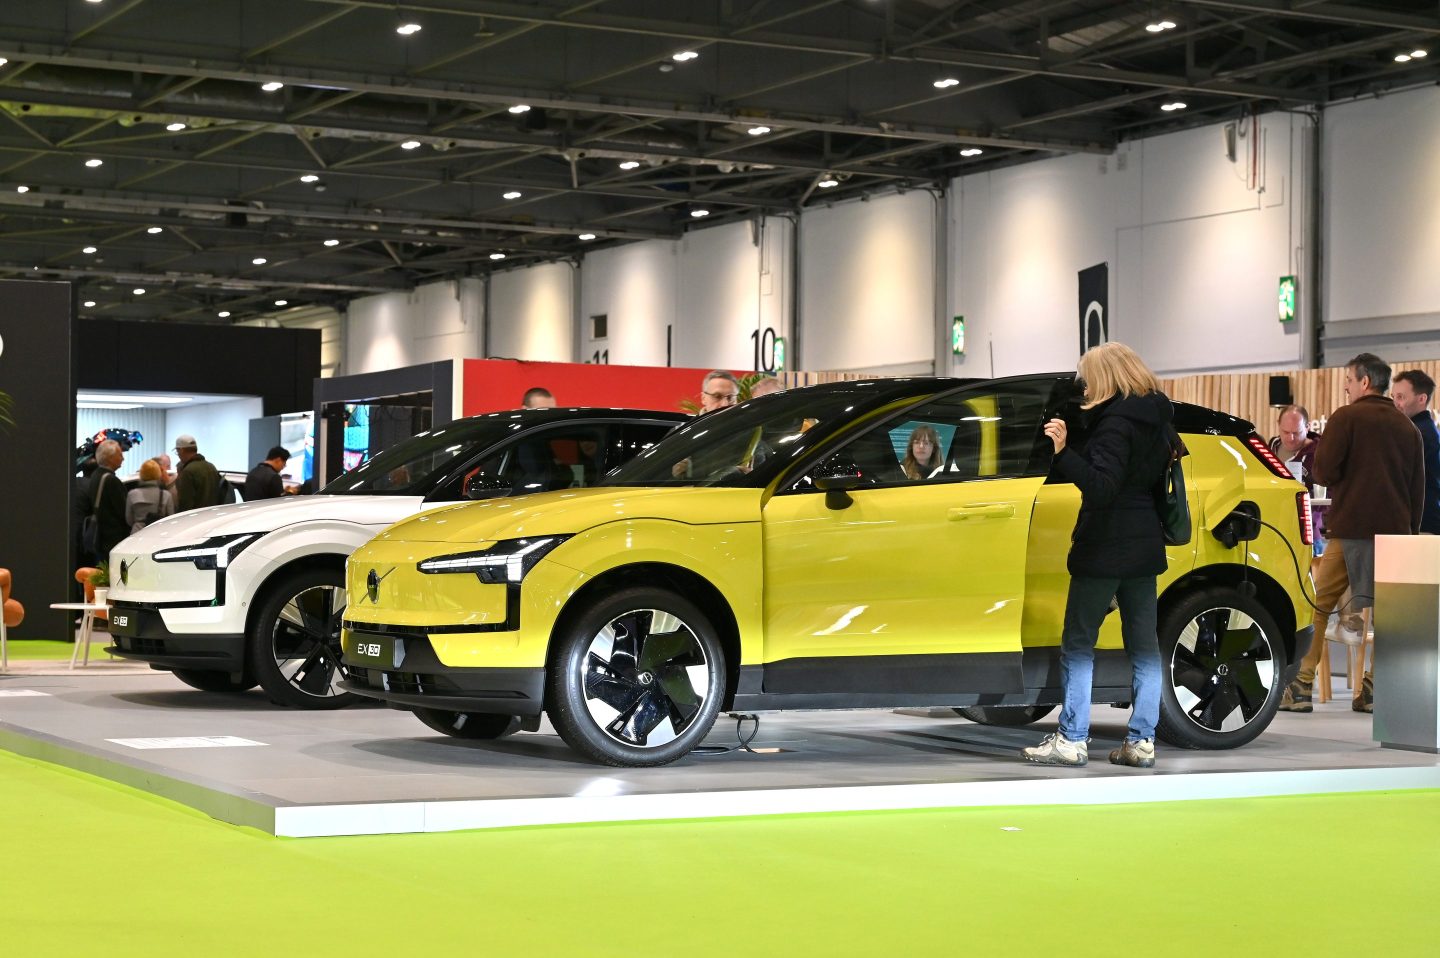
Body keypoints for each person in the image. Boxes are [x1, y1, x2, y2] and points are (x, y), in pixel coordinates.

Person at [1021, 342, 1173, 769]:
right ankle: (1142, 742)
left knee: (1079, 645)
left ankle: (1071, 738)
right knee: (1144, 650)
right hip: (1145, 546)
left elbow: (1103, 487)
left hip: (1104, 545)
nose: (1083, 386)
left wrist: (1064, 452)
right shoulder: (1158, 419)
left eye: (1087, 377)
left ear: (1105, 377)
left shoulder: (1115, 425)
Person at [1281, 353, 1423, 715]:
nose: (1345, 385)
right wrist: (1411, 535)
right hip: (1396, 535)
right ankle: (1373, 689)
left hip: (1348, 531)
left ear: (1364, 382)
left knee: (1318, 604)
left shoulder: (1346, 418)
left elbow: (1324, 471)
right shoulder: (1408, 427)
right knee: (1392, 616)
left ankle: (1301, 686)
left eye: (1348, 378)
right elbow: (1417, 490)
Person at [1269, 404, 1325, 555]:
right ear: (1278, 425)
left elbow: (1328, 494)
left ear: (1307, 428)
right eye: (1285, 432)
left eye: (1296, 432)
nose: (1290, 438)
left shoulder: (1320, 454)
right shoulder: (1271, 447)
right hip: (1275, 532)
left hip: (1308, 534)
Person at [1391, 370, 1440, 535]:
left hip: (1422, 524)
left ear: (1422, 399)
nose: (1395, 403)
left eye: (1401, 397)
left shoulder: (1419, 433)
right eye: (1393, 397)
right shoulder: (1421, 429)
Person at [83, 440, 130, 565]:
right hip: (112, 539)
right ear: (110, 457)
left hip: (99, 538)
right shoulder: (111, 481)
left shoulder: (95, 476)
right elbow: (123, 512)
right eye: (120, 454)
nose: (123, 458)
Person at [173, 434, 221, 512]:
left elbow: (185, 504)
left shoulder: (188, 471)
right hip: (212, 516)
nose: (178, 455)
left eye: (177, 451)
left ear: (181, 450)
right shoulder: (211, 466)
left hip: (195, 519)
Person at [125, 459, 175, 533]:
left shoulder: (132, 494)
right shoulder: (166, 495)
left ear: (141, 473)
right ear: (158, 474)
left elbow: (129, 520)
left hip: (137, 534)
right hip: (159, 533)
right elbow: (171, 519)